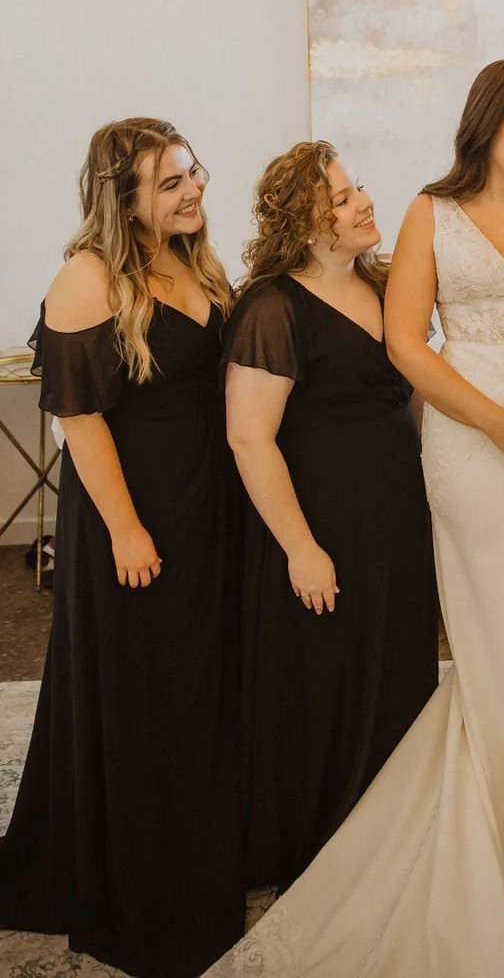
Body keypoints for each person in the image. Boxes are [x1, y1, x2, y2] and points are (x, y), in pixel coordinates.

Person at [204, 58, 504, 978]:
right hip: (478, 445)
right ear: (486, 123)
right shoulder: (426, 217)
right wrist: (494, 422)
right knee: (488, 641)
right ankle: (498, 835)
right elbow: (409, 345)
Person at [0, 119, 245, 978]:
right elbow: (78, 417)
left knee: (201, 680)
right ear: (123, 197)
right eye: (172, 181)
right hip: (132, 517)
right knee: (147, 690)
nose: (193, 191)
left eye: (193, 172)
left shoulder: (194, 260)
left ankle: (202, 845)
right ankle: (142, 878)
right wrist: (128, 529)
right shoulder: (87, 276)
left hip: (207, 503)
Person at [222, 142, 437, 890]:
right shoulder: (273, 305)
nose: (363, 204)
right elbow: (249, 436)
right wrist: (301, 549)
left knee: (396, 665)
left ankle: (391, 830)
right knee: (323, 682)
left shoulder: (384, 285)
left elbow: (409, 394)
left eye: (358, 189)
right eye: (341, 200)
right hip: (319, 519)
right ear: (305, 224)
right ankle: (316, 846)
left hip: (394, 511)